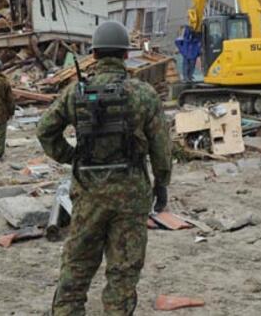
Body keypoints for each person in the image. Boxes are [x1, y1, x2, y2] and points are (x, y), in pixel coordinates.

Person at [37, 21, 172, 315]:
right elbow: (162, 146)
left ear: (94, 54)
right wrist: (161, 183)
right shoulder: (144, 94)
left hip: (88, 194)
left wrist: (70, 155)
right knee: (123, 272)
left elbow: (45, 130)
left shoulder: (76, 92)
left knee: (77, 267)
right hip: (131, 195)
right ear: (126, 55)